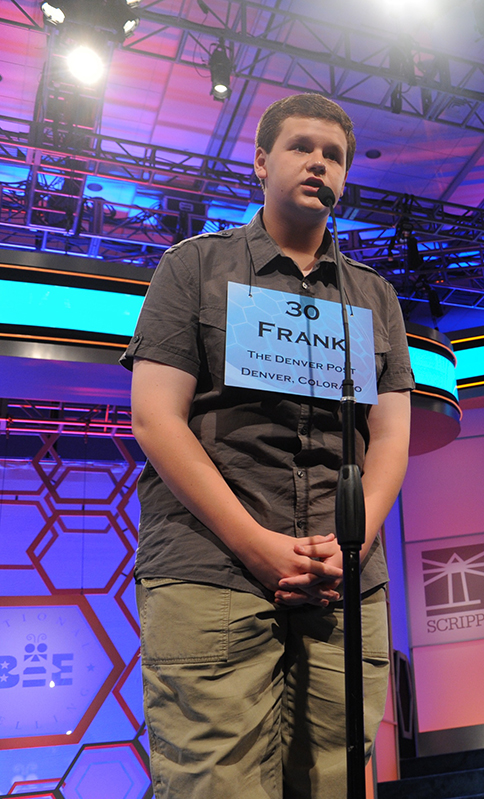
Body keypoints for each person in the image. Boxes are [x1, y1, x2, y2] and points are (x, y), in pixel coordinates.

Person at [125, 93, 414, 798]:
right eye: (300, 146)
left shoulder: (375, 296)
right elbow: (154, 418)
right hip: (211, 570)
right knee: (216, 786)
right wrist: (258, 544)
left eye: (335, 155)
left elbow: (392, 434)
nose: (320, 162)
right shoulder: (192, 268)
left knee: (338, 781)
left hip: (342, 580)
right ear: (259, 161)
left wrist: (356, 539)